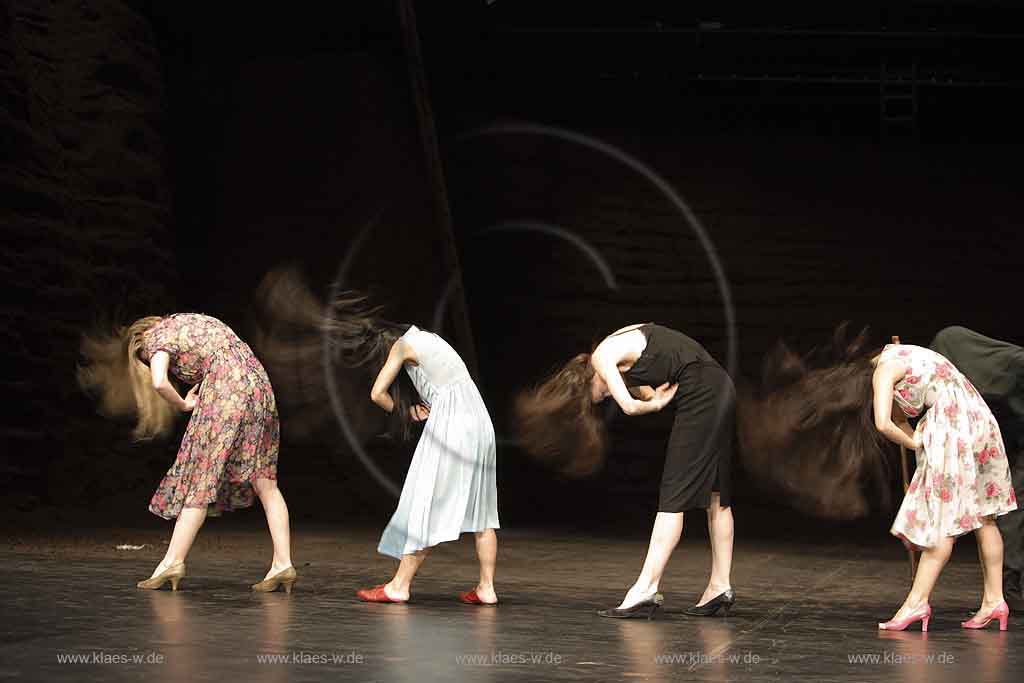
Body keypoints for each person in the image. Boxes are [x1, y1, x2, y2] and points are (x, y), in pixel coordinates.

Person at [517, 323, 736, 619]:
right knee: (716, 496)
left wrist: (655, 404)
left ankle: (645, 588)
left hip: (703, 393)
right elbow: (646, 391)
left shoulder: (603, 358)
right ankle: (719, 586)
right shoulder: (619, 346)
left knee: (673, 497)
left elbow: (632, 406)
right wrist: (653, 398)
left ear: (588, 380)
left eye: (601, 394)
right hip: (721, 386)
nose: (607, 393)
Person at [78, 313, 296, 592]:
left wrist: (182, 404)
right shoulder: (194, 321)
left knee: (200, 480)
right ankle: (282, 563)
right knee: (266, 483)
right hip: (259, 386)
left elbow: (158, 381)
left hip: (227, 390)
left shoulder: (155, 337)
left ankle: (172, 562)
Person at [930, 326, 1024, 611]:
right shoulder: (986, 374)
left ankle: (1010, 592)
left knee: (1011, 512)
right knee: (1010, 510)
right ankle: (1008, 593)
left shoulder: (1014, 364)